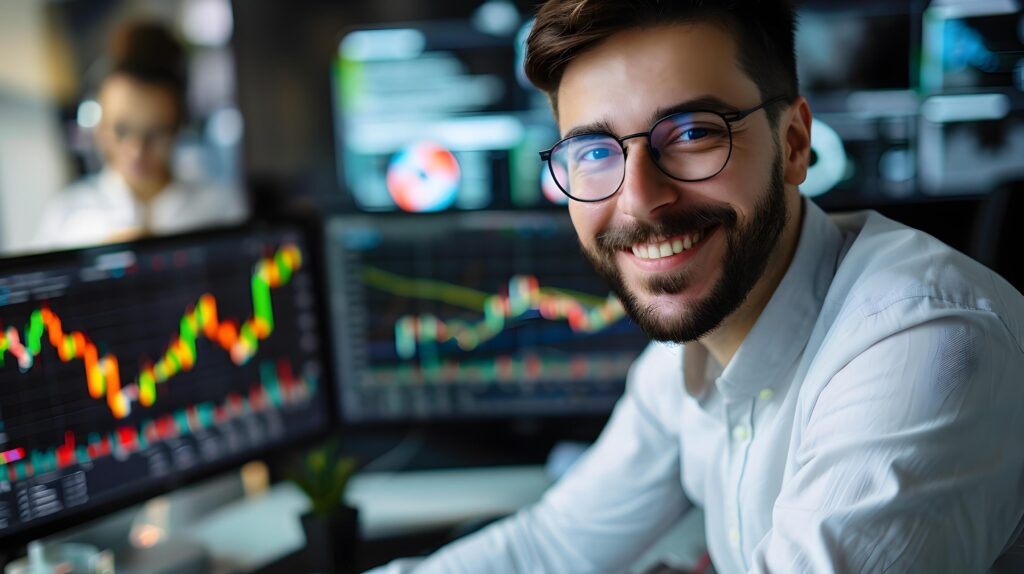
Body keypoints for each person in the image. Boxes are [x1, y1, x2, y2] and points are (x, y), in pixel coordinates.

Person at [369, 1, 1024, 572]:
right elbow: (549, 547)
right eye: (595, 152)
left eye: (691, 134)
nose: (639, 203)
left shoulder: (924, 344)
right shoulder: (685, 359)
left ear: (794, 143)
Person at [34, 21, 247, 250]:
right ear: (100, 125)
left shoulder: (220, 208)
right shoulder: (66, 216)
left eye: (156, 133)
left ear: (178, 126)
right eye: (121, 130)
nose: (137, 150)